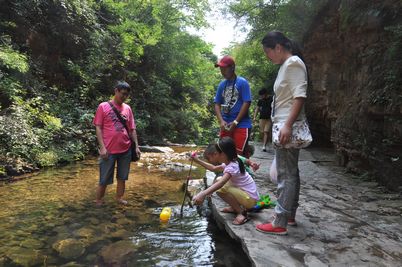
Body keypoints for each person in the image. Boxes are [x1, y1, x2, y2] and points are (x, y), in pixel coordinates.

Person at [255, 31, 308, 235]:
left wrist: (287, 125)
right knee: (291, 171)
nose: (267, 56)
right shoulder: (287, 65)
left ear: (278, 47)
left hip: (286, 126)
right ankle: (289, 214)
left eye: (267, 52)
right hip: (284, 125)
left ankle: (279, 221)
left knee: (285, 174)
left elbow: (299, 97)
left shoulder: (293, 63)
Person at [192, 137, 260, 225]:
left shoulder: (232, 167)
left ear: (224, 154)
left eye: (217, 153)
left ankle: (242, 212)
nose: (216, 154)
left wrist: (203, 194)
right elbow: (213, 168)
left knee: (220, 189)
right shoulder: (232, 161)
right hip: (247, 195)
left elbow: (221, 183)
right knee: (219, 180)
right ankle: (235, 207)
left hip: (250, 200)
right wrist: (197, 160)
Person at [93, 81, 140, 206]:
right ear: (116, 91)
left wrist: (136, 147)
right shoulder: (103, 106)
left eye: (127, 95)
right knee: (104, 178)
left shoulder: (128, 108)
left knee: (122, 177)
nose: (124, 97)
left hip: (126, 149)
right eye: (123, 94)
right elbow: (98, 127)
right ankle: (98, 200)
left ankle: (119, 198)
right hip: (108, 150)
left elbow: (132, 129)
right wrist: (102, 148)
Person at [214, 55, 252, 156]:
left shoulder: (242, 82)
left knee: (238, 156)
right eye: (221, 69)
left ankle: (245, 170)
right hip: (225, 125)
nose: (222, 71)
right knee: (223, 154)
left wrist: (235, 122)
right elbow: (217, 104)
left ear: (232, 67)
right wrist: (221, 121)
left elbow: (247, 102)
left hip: (241, 125)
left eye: (224, 68)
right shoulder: (222, 85)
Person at [192, 143, 260, 178]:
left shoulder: (232, 158)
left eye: (208, 159)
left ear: (216, 154)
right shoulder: (221, 162)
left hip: (246, 176)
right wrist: (197, 160)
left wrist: (252, 164)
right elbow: (213, 168)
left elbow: (247, 161)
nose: (208, 161)